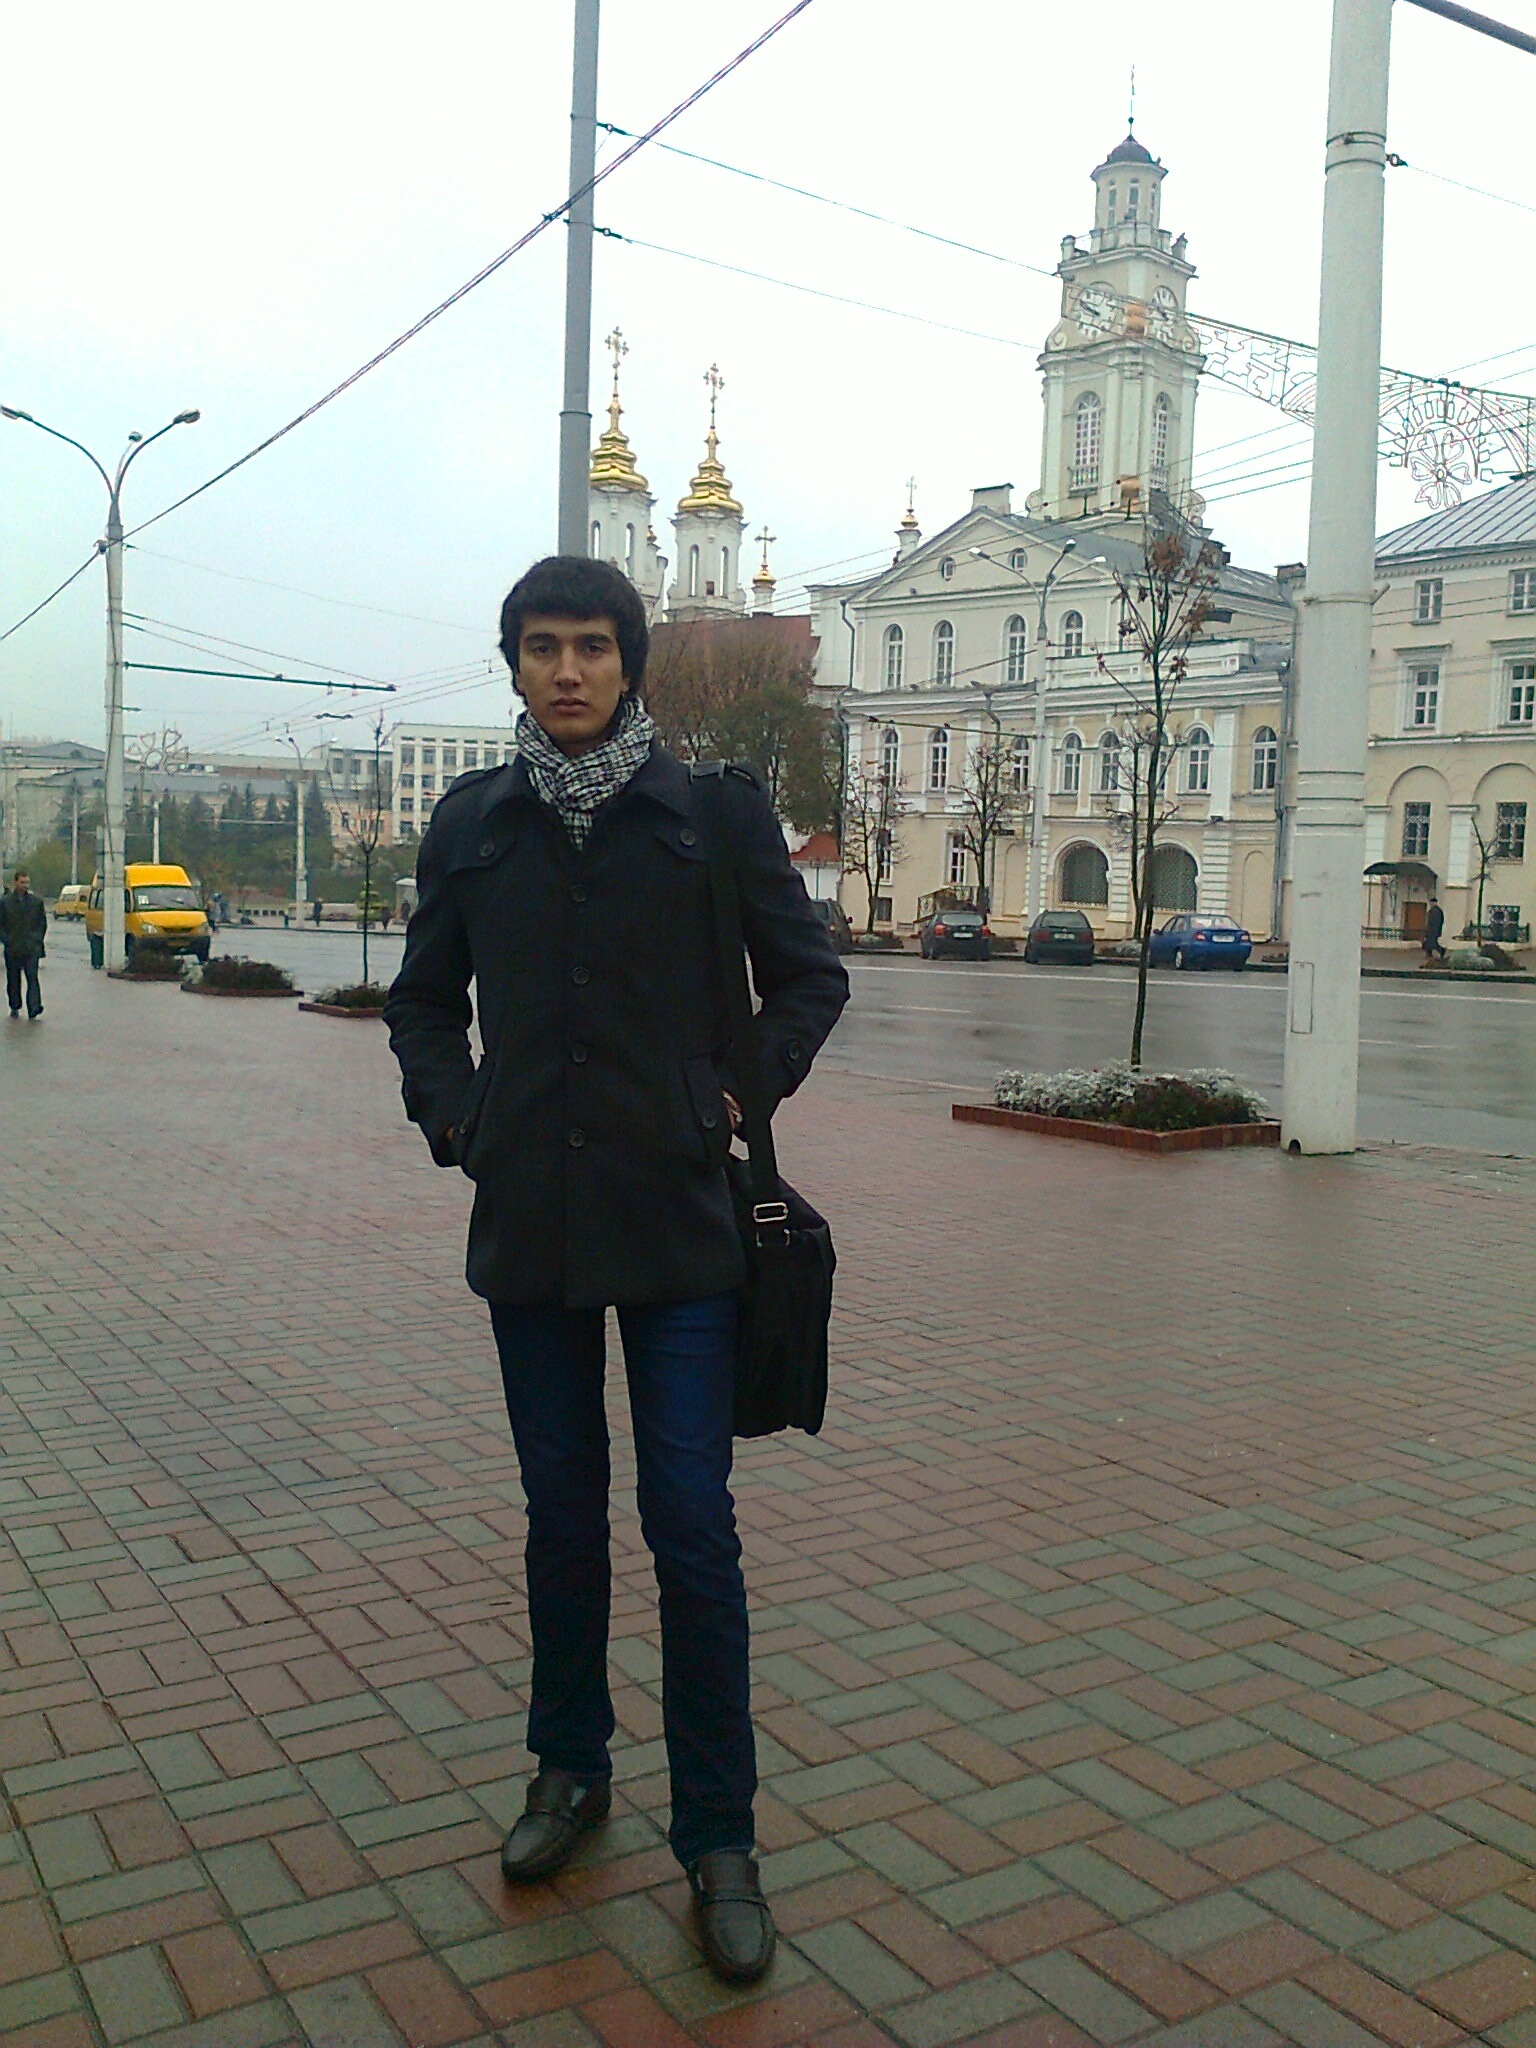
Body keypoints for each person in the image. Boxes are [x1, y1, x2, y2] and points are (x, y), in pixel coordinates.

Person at [385, 556, 847, 1984]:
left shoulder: (712, 815)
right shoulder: (473, 824)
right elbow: (421, 1004)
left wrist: (737, 1090)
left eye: (593, 644)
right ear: (515, 664)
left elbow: (810, 974)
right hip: (530, 1226)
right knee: (561, 1519)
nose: (569, 668)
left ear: (630, 663)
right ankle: (569, 1769)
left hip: (682, 1229)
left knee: (689, 1523)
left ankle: (721, 1836)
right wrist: (456, 1114)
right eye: (544, 646)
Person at [1, 870, 47, 1020]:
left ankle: (34, 1007)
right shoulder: (5, 902)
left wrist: (37, 939)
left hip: (31, 947)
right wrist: (7, 940)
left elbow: (42, 923)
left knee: (32, 977)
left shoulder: (36, 902)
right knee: (13, 979)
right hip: (13, 947)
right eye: (22, 882)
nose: (25, 886)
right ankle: (15, 1005)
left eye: (27, 882)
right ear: (15, 882)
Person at [1422, 895, 1447, 964]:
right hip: (1433, 930)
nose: (1431, 904)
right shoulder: (1435, 910)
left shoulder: (1435, 911)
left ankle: (1440, 951)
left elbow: (1435, 922)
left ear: (1434, 903)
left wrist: (1432, 930)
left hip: (1433, 931)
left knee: (1431, 943)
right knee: (1430, 943)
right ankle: (1430, 954)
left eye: (1432, 902)